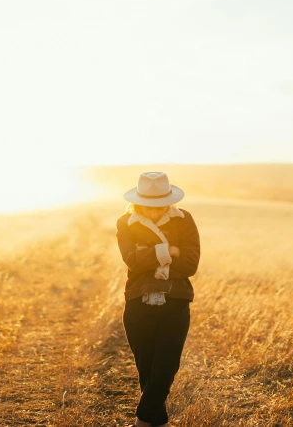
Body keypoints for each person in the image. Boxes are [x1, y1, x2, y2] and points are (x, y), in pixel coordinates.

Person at [116, 171, 201, 427]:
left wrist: (149, 254)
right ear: (138, 201)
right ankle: (158, 421)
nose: (154, 211)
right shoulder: (125, 222)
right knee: (147, 371)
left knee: (166, 367)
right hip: (137, 300)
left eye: (159, 205)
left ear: (169, 200)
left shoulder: (184, 220)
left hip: (176, 300)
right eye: (148, 205)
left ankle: (142, 420)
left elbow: (189, 264)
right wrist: (169, 251)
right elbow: (132, 260)